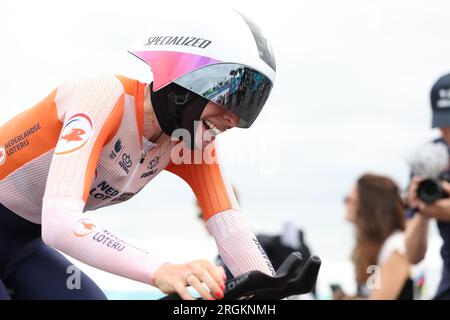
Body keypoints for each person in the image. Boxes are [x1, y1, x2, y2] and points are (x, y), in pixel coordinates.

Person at [0, 10, 277, 300]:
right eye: (232, 95)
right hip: (36, 234)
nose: (234, 118)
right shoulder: (102, 96)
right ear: (184, 76)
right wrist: (162, 270)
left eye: (250, 102)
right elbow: (60, 224)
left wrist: (272, 292)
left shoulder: (190, 144)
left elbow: (232, 231)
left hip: (23, 246)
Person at [405, 73, 450, 300]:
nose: (448, 133)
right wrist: (422, 210)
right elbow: (413, 255)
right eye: (444, 124)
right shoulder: (431, 159)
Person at [339, 174, 412, 300]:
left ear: (368, 205)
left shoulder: (396, 246)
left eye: (349, 199)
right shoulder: (374, 249)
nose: (345, 203)